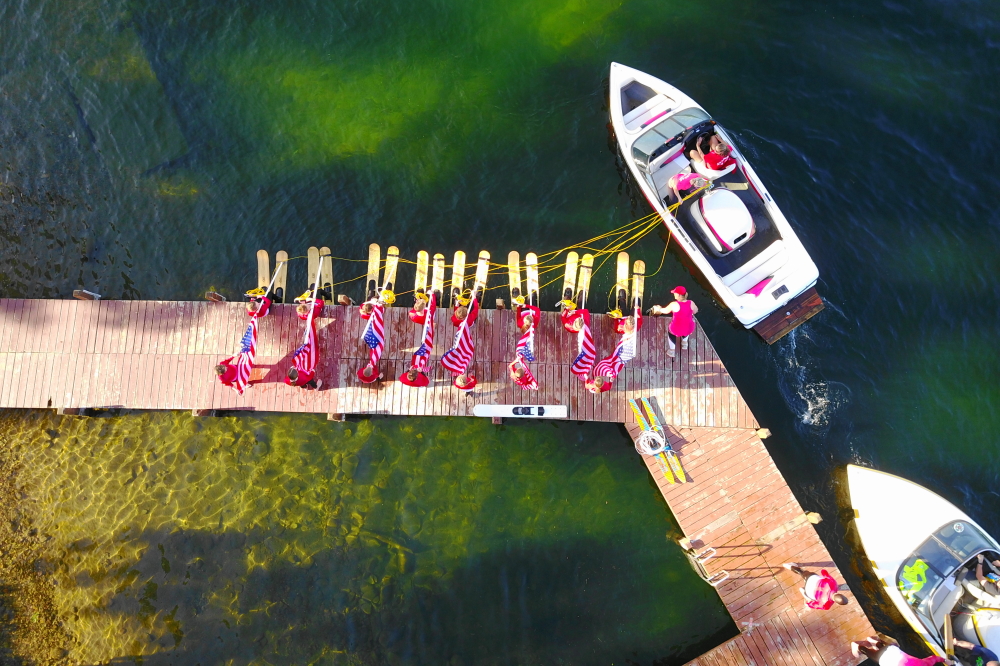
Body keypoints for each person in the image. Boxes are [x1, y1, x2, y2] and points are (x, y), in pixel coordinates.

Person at [650, 286, 699, 358]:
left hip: (676, 329)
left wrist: (658, 308)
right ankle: (684, 343)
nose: (674, 294)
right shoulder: (691, 303)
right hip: (689, 328)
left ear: (679, 295)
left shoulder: (674, 304)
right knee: (688, 325)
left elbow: (665, 311)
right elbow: (695, 311)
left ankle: (672, 351)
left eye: (675, 293)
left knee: (671, 333)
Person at [782, 563, 848, 610]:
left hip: (811, 579)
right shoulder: (826, 605)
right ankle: (804, 593)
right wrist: (808, 604)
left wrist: (823, 572)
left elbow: (824, 573)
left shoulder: (833, 584)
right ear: (836, 602)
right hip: (809, 592)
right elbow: (815, 605)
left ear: (839, 593)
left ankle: (788, 565)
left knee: (801, 572)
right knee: (810, 599)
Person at [851, 636, 951, 665]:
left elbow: (934, 658)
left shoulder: (925, 664)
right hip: (884, 659)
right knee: (872, 655)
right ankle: (858, 647)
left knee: (887, 649)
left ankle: (874, 642)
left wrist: (945, 660)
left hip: (893, 650)